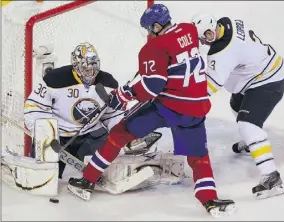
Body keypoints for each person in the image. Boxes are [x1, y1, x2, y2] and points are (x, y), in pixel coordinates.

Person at [68, 4, 236, 218]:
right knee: (199, 156)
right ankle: (210, 200)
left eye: (149, 29)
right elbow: (193, 41)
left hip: (167, 107)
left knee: (119, 133)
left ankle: (87, 180)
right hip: (196, 106)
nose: (148, 33)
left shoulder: (153, 48)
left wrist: (125, 94)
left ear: (157, 26)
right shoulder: (188, 30)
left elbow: (152, 87)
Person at [191, 14, 284, 199]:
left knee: (247, 125)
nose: (205, 42)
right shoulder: (228, 22)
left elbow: (209, 87)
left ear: (211, 31)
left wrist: (185, 90)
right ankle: (254, 143)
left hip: (267, 81)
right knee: (236, 104)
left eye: (205, 38)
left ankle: (272, 179)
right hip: (260, 71)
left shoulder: (222, 51)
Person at [24, 42, 124, 179]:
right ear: (76, 65)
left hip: (90, 134)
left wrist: (121, 134)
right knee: (44, 176)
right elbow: (34, 107)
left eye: (94, 66)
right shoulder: (55, 80)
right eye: (86, 67)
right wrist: (44, 132)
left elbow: (112, 115)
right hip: (57, 136)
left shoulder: (108, 83)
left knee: (109, 166)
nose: (91, 71)